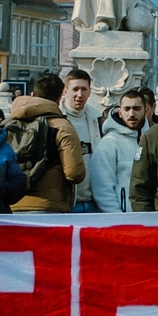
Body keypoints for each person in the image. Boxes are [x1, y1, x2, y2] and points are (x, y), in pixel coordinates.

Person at [5, 73, 88, 213]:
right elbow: (74, 173)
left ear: (32, 94)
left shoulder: (7, 123)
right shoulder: (63, 126)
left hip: (11, 203)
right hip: (49, 206)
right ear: (59, 98)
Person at [90, 89, 148, 212]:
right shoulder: (109, 143)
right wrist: (117, 218)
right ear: (120, 112)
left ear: (146, 110)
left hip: (150, 219)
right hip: (122, 221)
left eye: (137, 108)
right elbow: (102, 189)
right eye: (127, 109)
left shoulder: (153, 139)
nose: (131, 114)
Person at [53, 68, 101, 213]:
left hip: (93, 201)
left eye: (84, 89)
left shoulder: (97, 119)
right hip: (66, 201)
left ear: (90, 92)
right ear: (65, 91)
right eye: (75, 89)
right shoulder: (55, 119)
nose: (79, 95)